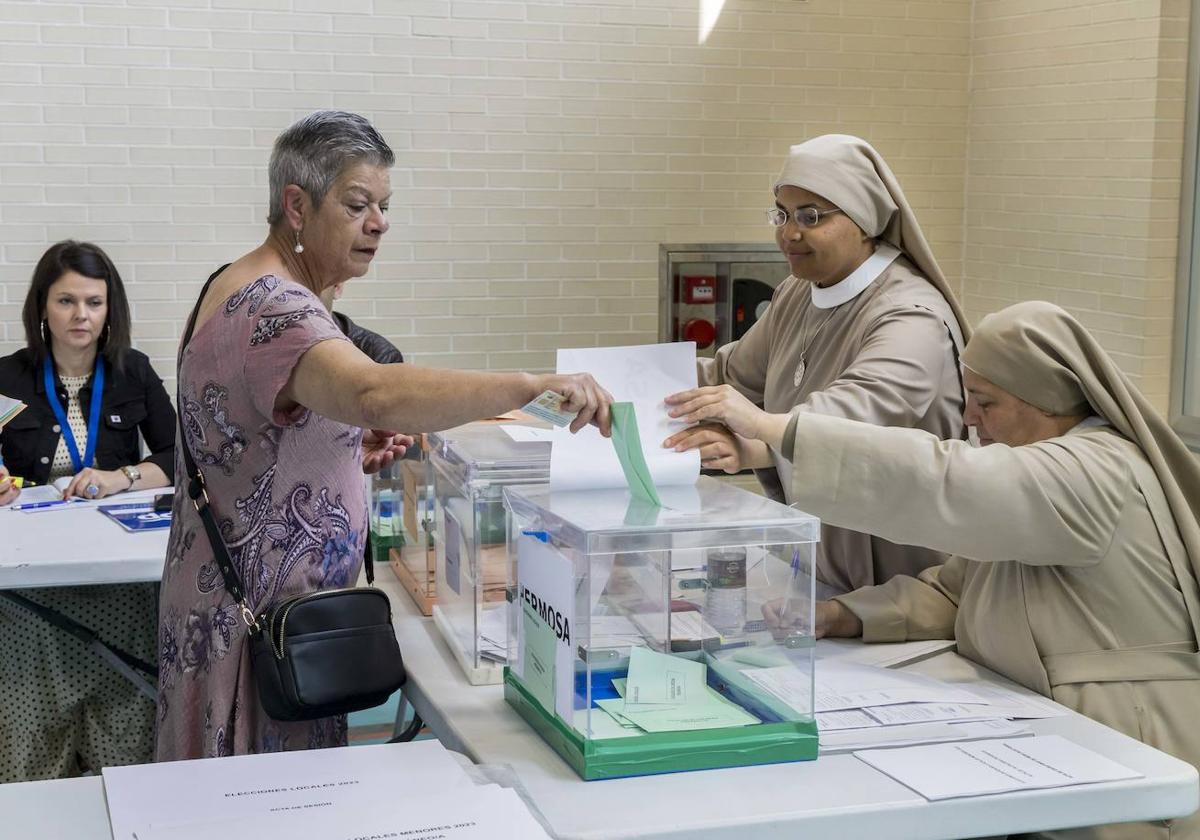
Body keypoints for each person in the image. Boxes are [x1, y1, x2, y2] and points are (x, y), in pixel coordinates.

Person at [155, 110, 612, 762]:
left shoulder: (241, 282)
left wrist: (340, 443)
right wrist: (528, 385)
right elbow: (374, 390)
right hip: (260, 636)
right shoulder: (277, 306)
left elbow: (271, 427)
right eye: (357, 204)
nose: (380, 223)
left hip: (248, 616)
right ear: (296, 206)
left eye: (385, 205)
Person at [666, 300, 1200, 839]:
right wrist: (841, 615)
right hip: (1038, 725)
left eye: (985, 403)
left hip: (1124, 734)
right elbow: (957, 590)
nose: (969, 419)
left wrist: (778, 431)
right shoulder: (1045, 467)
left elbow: (941, 479)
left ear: (1045, 399)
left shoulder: (1094, 469)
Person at [669, 135, 971, 595]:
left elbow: (852, 416)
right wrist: (614, 384)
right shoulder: (798, 292)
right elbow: (731, 376)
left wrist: (752, 440)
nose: (790, 233)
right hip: (818, 567)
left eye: (811, 216)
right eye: (783, 214)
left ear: (865, 220)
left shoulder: (912, 316)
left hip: (899, 587)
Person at [0, 240, 175, 781]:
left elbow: (180, 455)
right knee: (30, 730)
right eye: (66, 301)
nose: (81, 316)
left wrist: (122, 476)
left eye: (94, 303)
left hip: (118, 579)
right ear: (42, 309)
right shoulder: (6, 376)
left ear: (110, 310)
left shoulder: (134, 372)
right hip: (30, 588)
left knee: (125, 728)